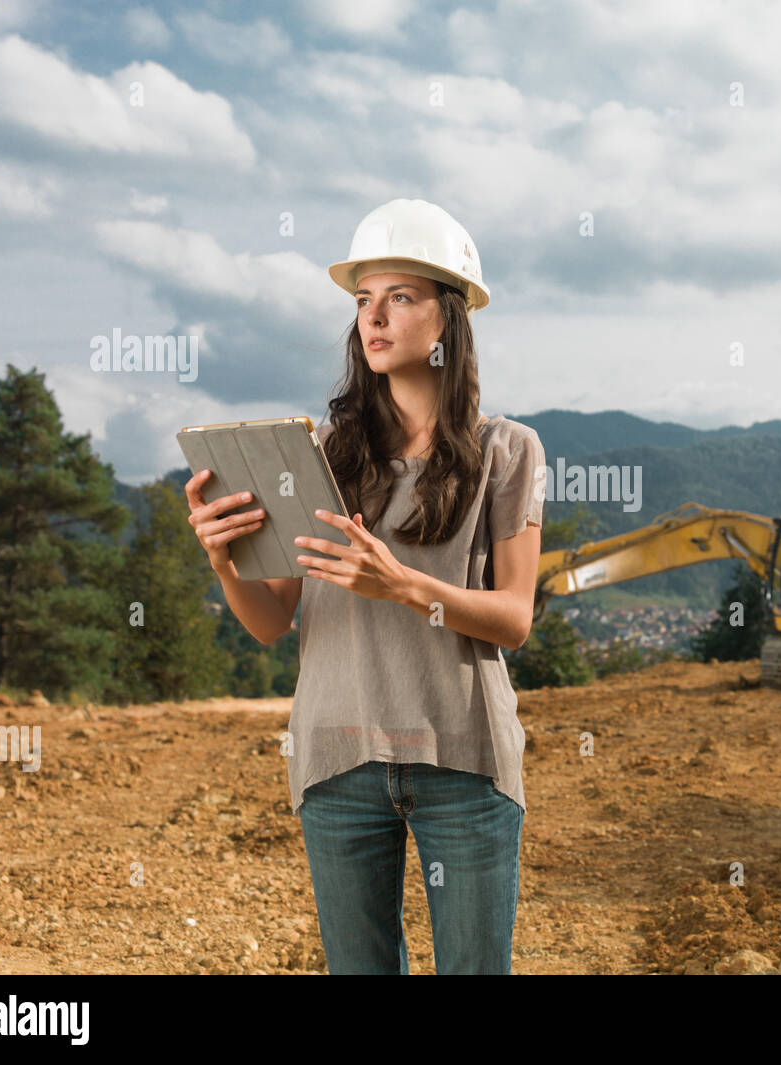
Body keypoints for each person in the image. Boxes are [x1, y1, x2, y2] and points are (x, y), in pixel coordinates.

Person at [184, 198, 546, 974]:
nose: (373, 318)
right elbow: (272, 621)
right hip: (336, 762)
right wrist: (224, 560)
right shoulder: (320, 453)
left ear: (448, 318)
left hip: (465, 760)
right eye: (362, 301)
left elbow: (514, 619)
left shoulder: (508, 452)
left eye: (400, 298)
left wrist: (407, 586)